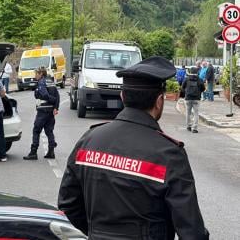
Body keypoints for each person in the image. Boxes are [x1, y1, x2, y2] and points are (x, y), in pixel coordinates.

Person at [58, 56, 209, 240]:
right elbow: (192, 231)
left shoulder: (89, 140)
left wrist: (97, 232)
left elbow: (67, 204)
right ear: (159, 101)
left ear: (122, 96)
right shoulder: (169, 154)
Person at [23, 66, 60, 160]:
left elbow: (44, 94)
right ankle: (51, 152)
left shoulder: (41, 82)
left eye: (36, 73)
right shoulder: (50, 81)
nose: (35, 75)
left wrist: (52, 100)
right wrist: (56, 107)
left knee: (36, 130)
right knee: (49, 131)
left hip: (43, 110)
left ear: (41, 74)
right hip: (50, 110)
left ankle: (33, 152)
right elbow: (57, 95)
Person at [181, 67, 206, 133]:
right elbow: (203, 88)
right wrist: (199, 92)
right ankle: (194, 128)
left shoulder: (186, 79)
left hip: (188, 98)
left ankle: (188, 126)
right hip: (196, 98)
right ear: (197, 72)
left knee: (188, 113)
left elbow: (182, 87)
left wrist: (186, 92)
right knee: (196, 113)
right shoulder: (199, 79)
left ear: (190, 72)